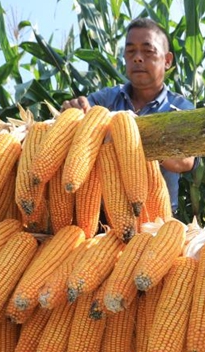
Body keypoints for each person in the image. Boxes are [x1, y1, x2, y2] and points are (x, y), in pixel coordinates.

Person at [62, 18, 197, 215]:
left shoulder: (179, 107)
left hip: (156, 221)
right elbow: (83, 114)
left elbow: (185, 161)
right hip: (103, 222)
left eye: (148, 51)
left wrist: (131, 133)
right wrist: (73, 111)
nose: (138, 58)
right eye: (131, 51)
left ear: (167, 60)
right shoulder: (107, 98)